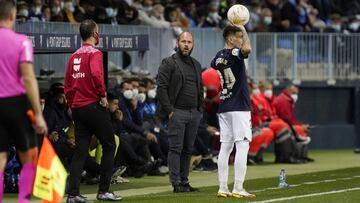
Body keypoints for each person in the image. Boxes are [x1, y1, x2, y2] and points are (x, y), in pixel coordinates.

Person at [64, 19, 121, 202]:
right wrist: (103, 95)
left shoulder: (73, 56)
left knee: (81, 151)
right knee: (109, 144)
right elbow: (97, 75)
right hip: (93, 105)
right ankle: (103, 191)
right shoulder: (94, 53)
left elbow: (67, 85)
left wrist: (73, 104)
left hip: (77, 108)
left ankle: (72, 194)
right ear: (95, 34)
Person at [0, 1, 48, 202]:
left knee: (0, 156)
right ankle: (24, 200)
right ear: (12, 15)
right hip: (17, 103)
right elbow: (28, 78)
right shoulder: (22, 41)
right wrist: (38, 114)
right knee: (27, 155)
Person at [211, 25, 256, 198]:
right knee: (243, 145)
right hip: (239, 106)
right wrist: (243, 29)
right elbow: (247, 49)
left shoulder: (217, 56)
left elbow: (214, 65)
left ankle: (223, 188)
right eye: (238, 37)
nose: (240, 39)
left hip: (224, 105)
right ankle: (238, 187)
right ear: (230, 39)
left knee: (226, 147)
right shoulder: (234, 53)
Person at [156, 31, 203, 193]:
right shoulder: (169, 63)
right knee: (176, 148)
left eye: (189, 42)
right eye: (183, 41)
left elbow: (200, 88)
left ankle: (184, 181)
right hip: (177, 112)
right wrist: (170, 111)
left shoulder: (196, 64)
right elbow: (161, 88)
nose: (186, 44)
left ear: (193, 44)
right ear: (177, 43)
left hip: (193, 113)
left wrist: (199, 109)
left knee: (188, 149)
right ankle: (176, 182)